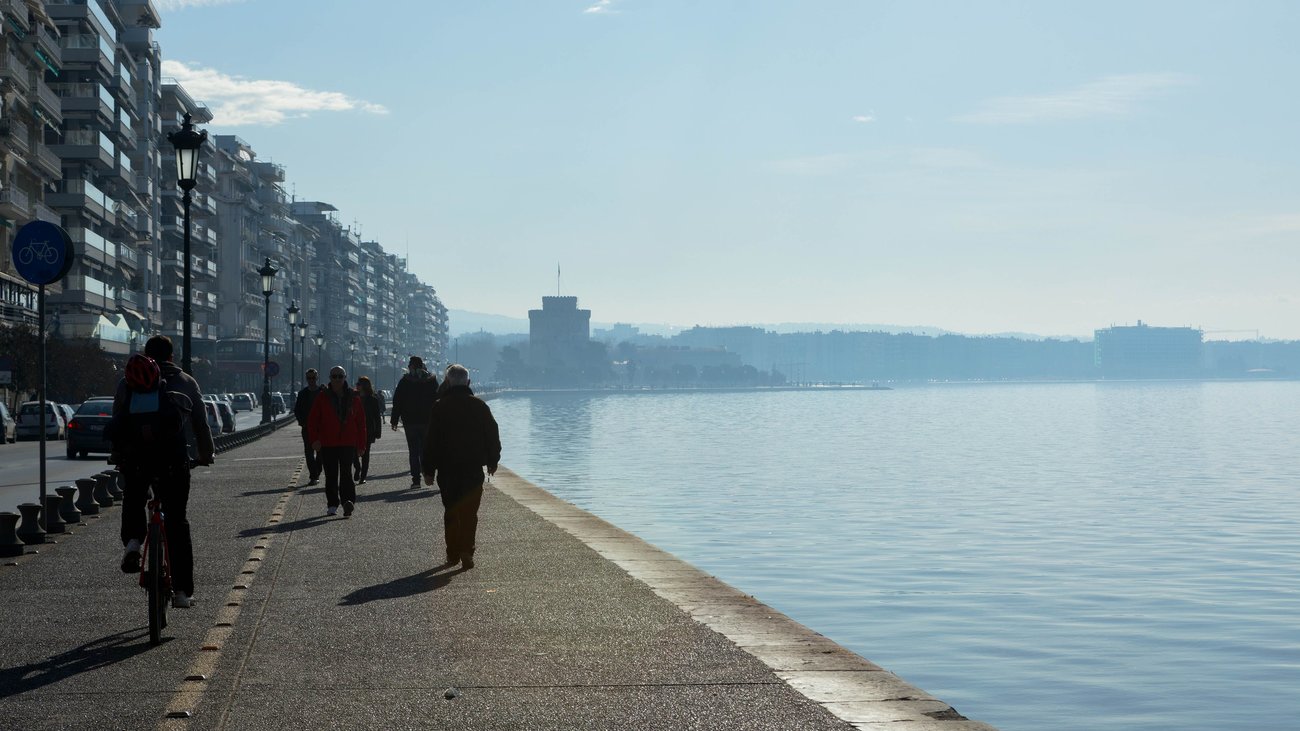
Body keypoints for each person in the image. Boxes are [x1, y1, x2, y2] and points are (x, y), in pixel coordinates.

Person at [113, 336, 215, 609]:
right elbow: (201, 425)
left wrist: (119, 455)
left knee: (134, 496)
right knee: (177, 521)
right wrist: (206, 454)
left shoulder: (128, 382)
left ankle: (134, 542)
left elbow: (117, 422)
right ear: (172, 355)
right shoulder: (186, 381)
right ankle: (182, 592)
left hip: (137, 459)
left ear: (147, 354)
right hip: (173, 460)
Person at [421, 364, 500, 569]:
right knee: (469, 512)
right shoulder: (479, 406)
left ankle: (452, 553)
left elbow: (431, 441)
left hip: (447, 469)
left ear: (448, 382)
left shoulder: (440, 407)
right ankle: (467, 550)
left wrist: (428, 469)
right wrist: (493, 460)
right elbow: (492, 435)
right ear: (469, 382)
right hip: (473, 468)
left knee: (451, 510)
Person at [307, 366, 367, 517]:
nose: (337, 379)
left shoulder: (354, 397)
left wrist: (361, 445)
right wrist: (314, 439)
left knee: (346, 473)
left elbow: (361, 423)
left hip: (348, 442)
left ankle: (348, 502)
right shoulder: (322, 397)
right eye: (334, 376)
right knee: (331, 474)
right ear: (330, 378)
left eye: (340, 376)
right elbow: (312, 420)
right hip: (328, 442)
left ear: (345, 377)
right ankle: (332, 504)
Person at [390, 356, 439, 487]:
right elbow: (437, 400)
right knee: (425, 449)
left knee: (413, 451)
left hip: (410, 421)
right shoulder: (431, 381)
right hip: (427, 421)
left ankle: (416, 480)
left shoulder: (405, 381)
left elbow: (397, 401)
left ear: (411, 366)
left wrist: (394, 420)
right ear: (422, 366)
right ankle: (428, 475)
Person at [294, 369, 323, 486]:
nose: (311, 380)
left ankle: (317, 471)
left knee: (321, 452)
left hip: (321, 428)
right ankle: (313, 475)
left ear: (317, 378)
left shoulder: (323, 392)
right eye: (309, 378)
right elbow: (297, 410)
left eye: (313, 378)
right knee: (309, 452)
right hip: (307, 428)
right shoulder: (302, 394)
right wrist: (302, 422)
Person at [353, 376, 382, 484]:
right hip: (354, 429)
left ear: (364, 386)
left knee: (365, 453)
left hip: (368, 430)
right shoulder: (353, 397)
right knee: (353, 452)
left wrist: (378, 432)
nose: (357, 385)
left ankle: (363, 476)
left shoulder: (372, 399)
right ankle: (357, 467)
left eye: (359, 384)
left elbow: (376, 417)